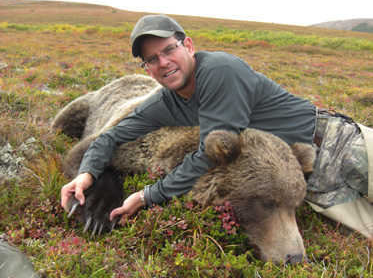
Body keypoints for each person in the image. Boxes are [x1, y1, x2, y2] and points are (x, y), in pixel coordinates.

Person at [61, 15, 369, 229]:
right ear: (148, 70)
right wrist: (86, 175)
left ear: (189, 46)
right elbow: (109, 137)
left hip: (338, 144)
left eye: (169, 49)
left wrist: (145, 196)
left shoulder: (220, 72)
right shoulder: (161, 104)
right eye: (152, 59)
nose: (164, 62)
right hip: (307, 180)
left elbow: (207, 155)